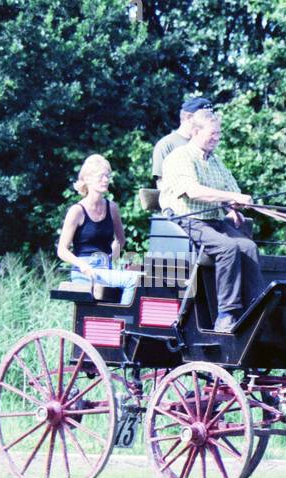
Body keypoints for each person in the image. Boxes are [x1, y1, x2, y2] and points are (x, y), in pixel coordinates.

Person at [159, 109, 260, 332]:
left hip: (214, 221)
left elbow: (233, 190)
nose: (217, 138)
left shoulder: (215, 161)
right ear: (196, 132)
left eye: (218, 134)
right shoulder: (180, 157)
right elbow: (193, 191)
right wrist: (231, 198)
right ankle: (227, 314)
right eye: (213, 133)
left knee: (249, 247)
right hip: (187, 220)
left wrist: (235, 206)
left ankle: (256, 308)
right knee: (228, 248)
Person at [56, 154, 140, 305]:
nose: (106, 180)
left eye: (107, 176)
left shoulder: (112, 208)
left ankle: (114, 318)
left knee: (142, 277)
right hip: (85, 271)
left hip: (105, 269)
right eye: (101, 176)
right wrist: (83, 265)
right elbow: (62, 250)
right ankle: (123, 321)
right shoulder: (77, 211)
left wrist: (112, 259)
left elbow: (120, 240)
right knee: (133, 280)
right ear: (87, 179)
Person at [151, 95, 214, 192]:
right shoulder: (167, 144)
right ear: (189, 117)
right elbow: (162, 184)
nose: (208, 121)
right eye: (204, 117)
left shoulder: (205, 143)